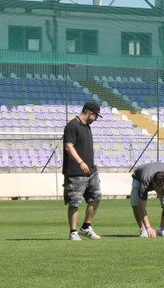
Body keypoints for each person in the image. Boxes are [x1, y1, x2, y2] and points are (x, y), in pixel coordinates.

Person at [62, 101, 103, 241]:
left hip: (91, 170)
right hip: (75, 171)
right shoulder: (72, 125)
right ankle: (73, 232)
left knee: (96, 197)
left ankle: (86, 227)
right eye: (96, 116)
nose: (96, 119)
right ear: (89, 113)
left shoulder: (87, 126)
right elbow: (69, 146)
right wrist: (80, 162)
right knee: (74, 202)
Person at [130, 161, 164, 238]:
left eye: (161, 187)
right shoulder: (144, 181)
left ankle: (162, 229)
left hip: (159, 173)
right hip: (139, 176)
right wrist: (148, 227)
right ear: (153, 181)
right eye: (157, 187)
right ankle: (143, 230)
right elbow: (141, 207)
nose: (158, 190)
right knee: (136, 204)